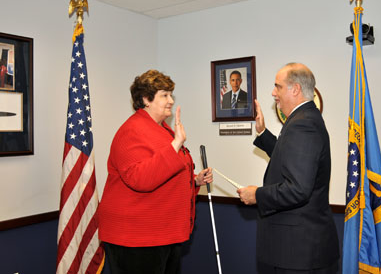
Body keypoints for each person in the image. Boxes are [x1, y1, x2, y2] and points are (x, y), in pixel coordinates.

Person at [98, 69, 213, 274]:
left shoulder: (162, 129)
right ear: (146, 99)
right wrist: (176, 144)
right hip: (136, 238)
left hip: (164, 234)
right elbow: (140, 179)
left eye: (170, 95)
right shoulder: (132, 130)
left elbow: (165, 173)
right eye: (164, 95)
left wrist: (194, 181)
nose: (170, 100)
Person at [237, 63, 339, 273]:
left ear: (295, 89)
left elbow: (298, 188)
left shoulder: (303, 124)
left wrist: (257, 194)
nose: (273, 93)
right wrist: (263, 133)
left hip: (298, 253)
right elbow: (291, 160)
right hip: (299, 250)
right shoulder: (305, 119)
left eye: (278, 87)